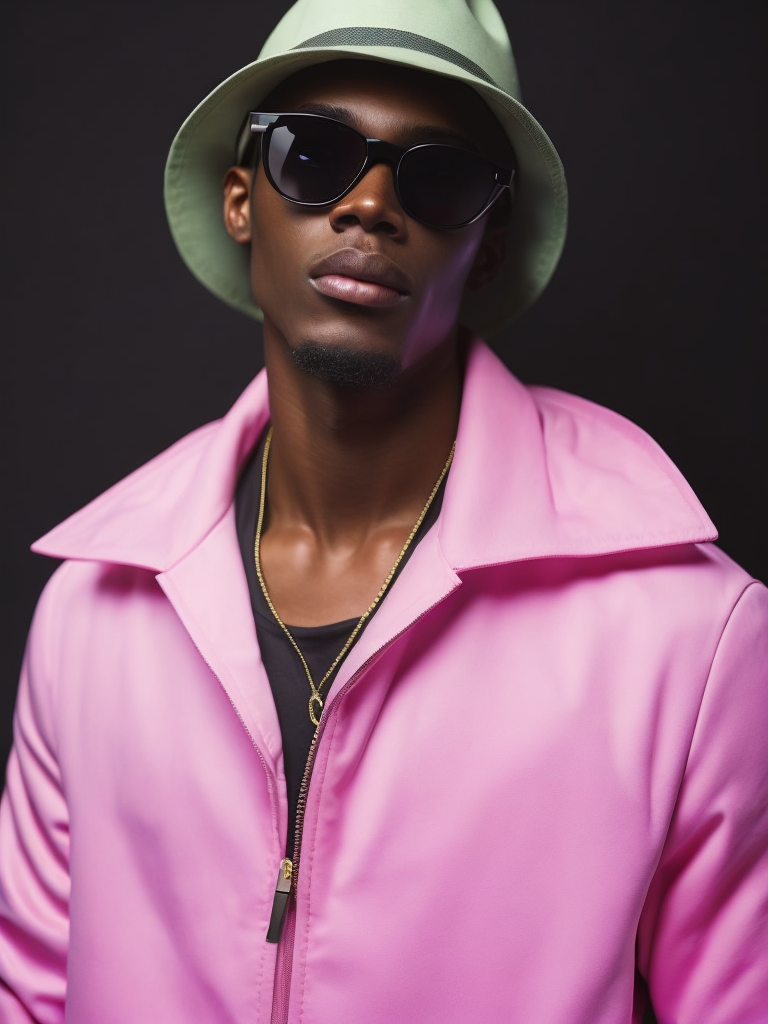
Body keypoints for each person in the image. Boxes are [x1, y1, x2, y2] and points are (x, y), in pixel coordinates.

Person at [1, 0, 766, 1021]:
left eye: (437, 176)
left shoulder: (691, 633)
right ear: (241, 201)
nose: (366, 204)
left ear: (487, 250)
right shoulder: (90, 615)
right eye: (312, 156)